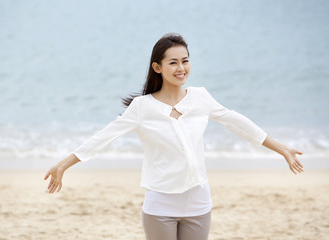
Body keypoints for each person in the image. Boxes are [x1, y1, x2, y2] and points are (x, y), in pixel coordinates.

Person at [44, 33, 304, 240]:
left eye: (186, 60)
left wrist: (282, 149)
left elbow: (238, 122)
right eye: (173, 62)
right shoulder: (142, 107)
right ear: (157, 67)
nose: (181, 68)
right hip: (160, 206)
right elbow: (103, 137)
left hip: (199, 203)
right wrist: (62, 165)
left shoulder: (201, 97)